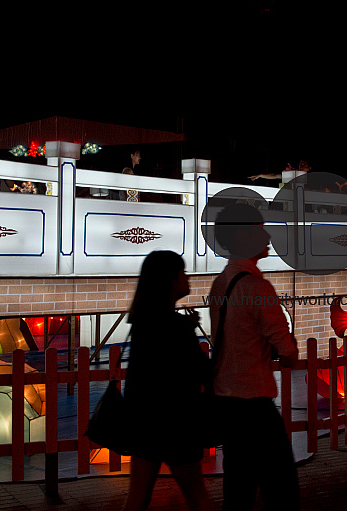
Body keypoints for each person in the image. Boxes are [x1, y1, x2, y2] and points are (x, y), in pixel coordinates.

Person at [209, 203, 300, 511]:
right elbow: (288, 353)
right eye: (260, 228)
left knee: (238, 484)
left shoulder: (221, 283)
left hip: (226, 401)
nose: (267, 234)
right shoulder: (258, 287)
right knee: (281, 486)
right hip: (255, 404)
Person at [122, 251, 211, 511]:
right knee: (197, 496)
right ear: (170, 280)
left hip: (145, 423)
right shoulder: (175, 325)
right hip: (177, 424)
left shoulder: (142, 320)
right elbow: (198, 369)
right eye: (183, 272)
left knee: (137, 498)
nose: (187, 277)